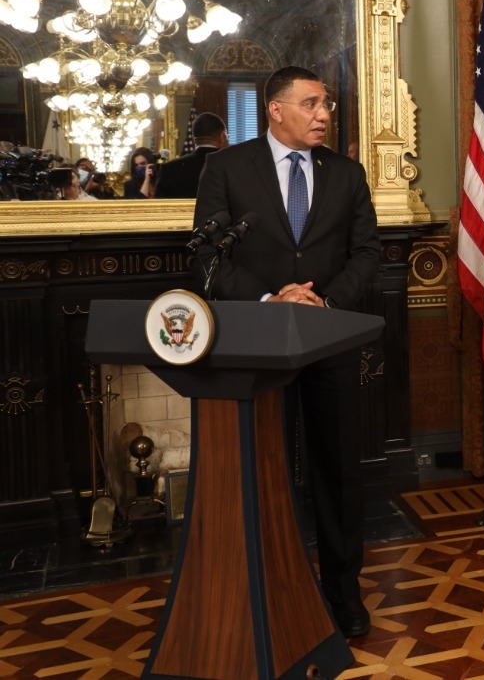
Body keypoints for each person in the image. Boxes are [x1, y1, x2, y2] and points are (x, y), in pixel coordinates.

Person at [190, 65, 379, 639]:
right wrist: (273, 298)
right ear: (276, 109)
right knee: (265, 470)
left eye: (327, 104)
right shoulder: (226, 168)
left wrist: (320, 302)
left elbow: (367, 253)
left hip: (330, 341)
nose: (325, 114)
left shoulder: (347, 173)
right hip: (258, 345)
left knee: (339, 471)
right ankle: (272, 587)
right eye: (312, 103)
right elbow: (209, 255)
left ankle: (343, 594)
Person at [155, 113, 229, 198]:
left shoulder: (168, 169)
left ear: (194, 139)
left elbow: (158, 207)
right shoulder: (233, 166)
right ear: (222, 136)